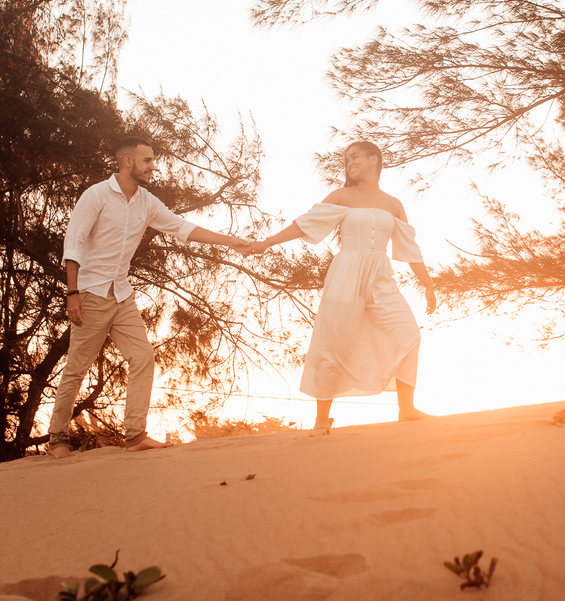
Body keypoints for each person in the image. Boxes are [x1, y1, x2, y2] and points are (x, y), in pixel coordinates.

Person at [47, 136, 249, 458]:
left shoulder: (146, 202)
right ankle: (57, 438)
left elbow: (182, 228)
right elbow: (73, 244)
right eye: (148, 161)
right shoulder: (96, 196)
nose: (153, 167)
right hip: (91, 294)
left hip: (122, 294)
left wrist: (230, 241)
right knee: (76, 367)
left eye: (153, 161)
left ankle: (135, 435)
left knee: (143, 357)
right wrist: (72, 293)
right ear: (128, 162)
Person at [244, 141, 436, 433]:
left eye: (355, 157)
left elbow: (410, 248)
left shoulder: (393, 204)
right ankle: (322, 419)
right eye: (346, 160)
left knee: (408, 333)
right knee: (334, 342)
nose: (349, 163)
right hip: (346, 273)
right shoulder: (341, 196)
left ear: (374, 160)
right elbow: (304, 224)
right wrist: (267, 242)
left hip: (381, 275)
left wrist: (428, 285)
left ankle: (406, 409)